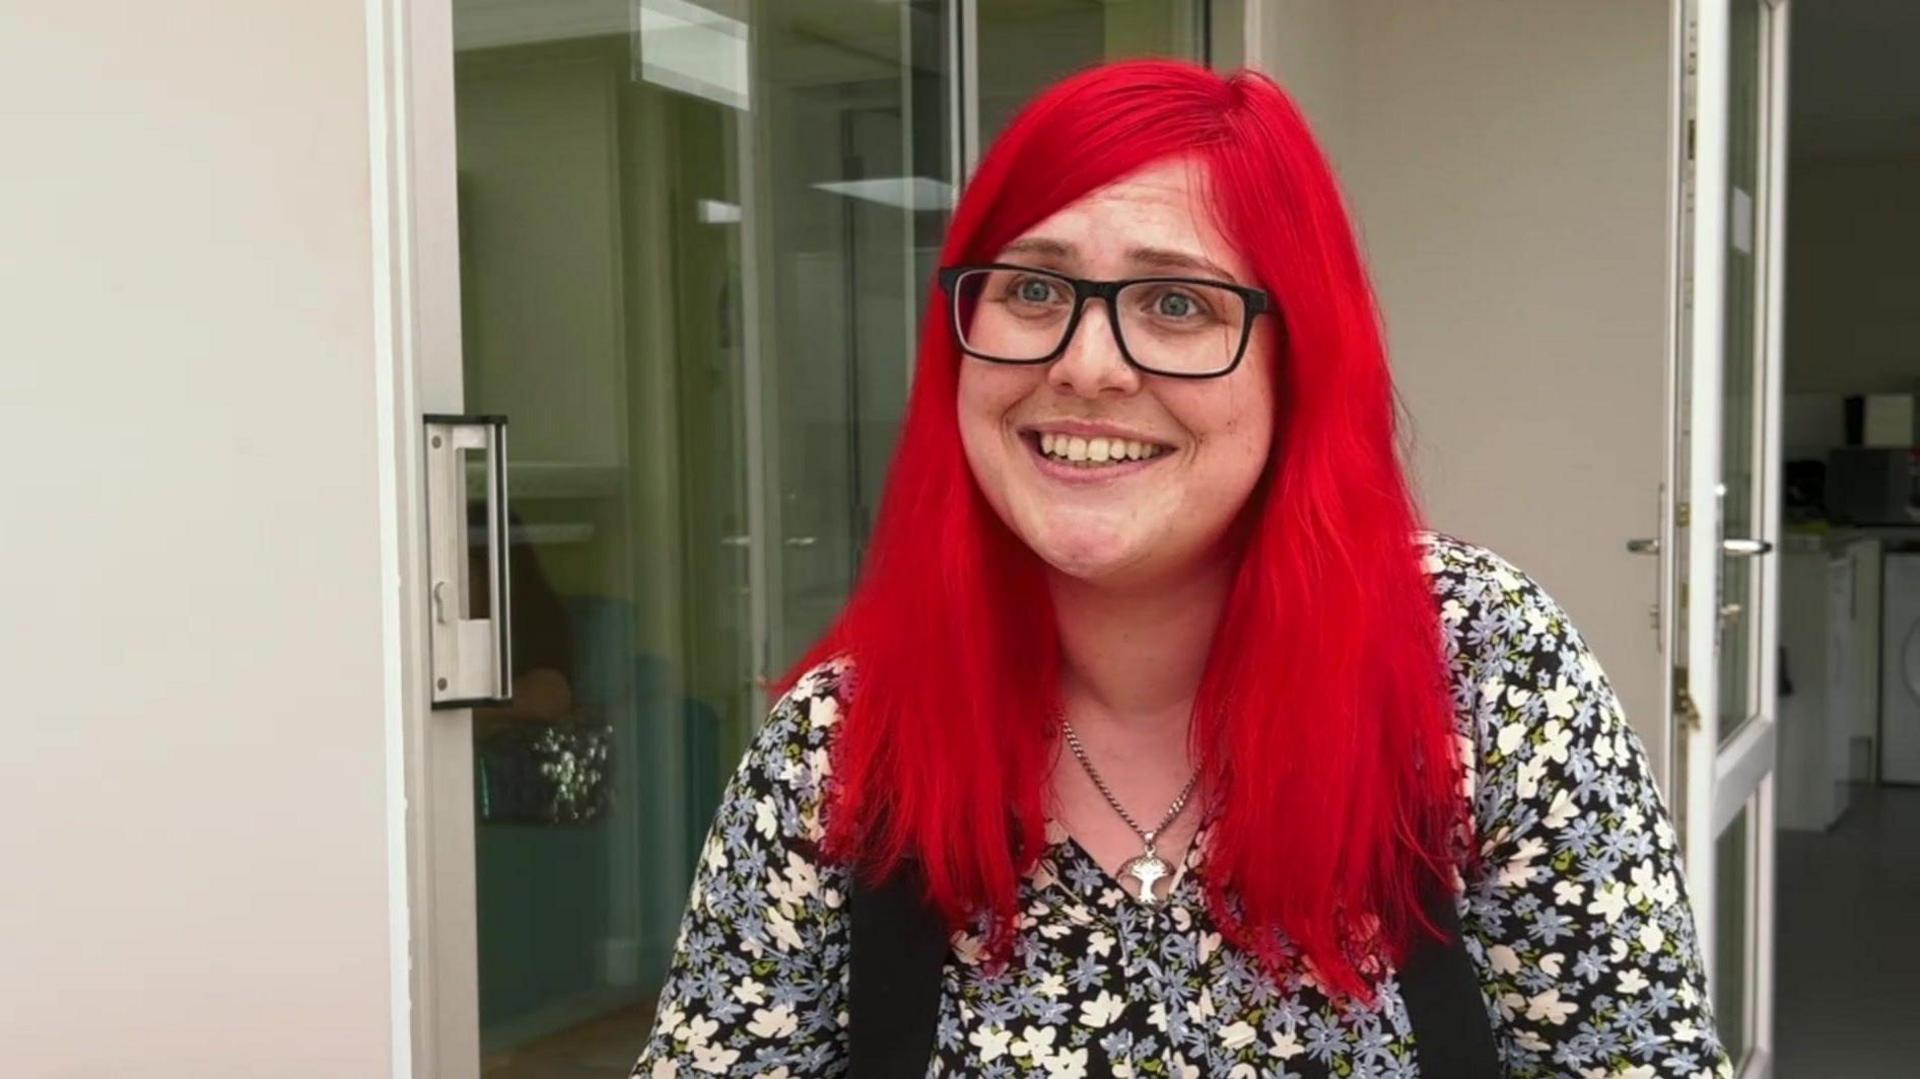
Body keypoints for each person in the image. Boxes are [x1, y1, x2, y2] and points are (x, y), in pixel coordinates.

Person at [631, 60, 1730, 1078]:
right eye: (1032, 289)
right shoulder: (842, 751)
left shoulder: (1482, 670)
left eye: (1177, 303)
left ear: (1298, 359)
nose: (1086, 365)